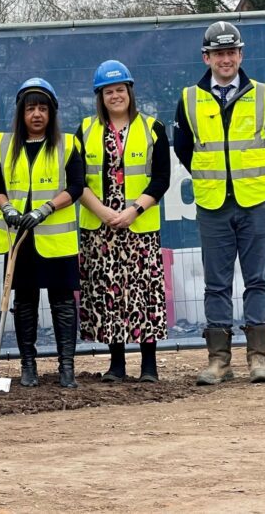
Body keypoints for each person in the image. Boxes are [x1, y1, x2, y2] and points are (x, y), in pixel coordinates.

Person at [173, 21, 265, 384]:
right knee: (216, 283)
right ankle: (218, 361)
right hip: (213, 204)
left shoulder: (263, 94)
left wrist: (249, 177)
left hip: (255, 201)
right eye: (218, 53)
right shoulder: (189, 99)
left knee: (258, 280)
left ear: (241, 54)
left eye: (232, 52)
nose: (226, 59)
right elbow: (183, 149)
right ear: (206, 58)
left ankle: (259, 358)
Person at [76, 61, 171, 383]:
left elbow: (161, 179)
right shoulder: (86, 130)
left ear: (130, 92)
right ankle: (116, 364)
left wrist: (134, 210)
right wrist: (102, 212)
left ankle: (149, 366)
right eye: (108, 91)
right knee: (109, 294)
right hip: (100, 228)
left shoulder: (153, 128)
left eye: (120, 90)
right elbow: (77, 181)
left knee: (144, 294)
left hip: (139, 227)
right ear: (99, 97)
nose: (115, 96)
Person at [0, 78, 85, 388]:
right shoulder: (4, 145)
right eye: (31, 108)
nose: (37, 114)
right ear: (21, 113)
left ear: (52, 113)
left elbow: (76, 186)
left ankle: (66, 366)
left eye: (43, 108)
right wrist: (7, 210)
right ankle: (27, 365)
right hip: (20, 238)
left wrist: (46, 208)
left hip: (56, 238)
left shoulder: (68, 144)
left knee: (62, 302)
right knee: (25, 302)